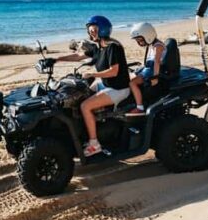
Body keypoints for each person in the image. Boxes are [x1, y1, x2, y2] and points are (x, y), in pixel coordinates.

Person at [54, 15, 130, 157]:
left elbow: (114, 71)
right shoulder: (98, 47)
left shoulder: (113, 47)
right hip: (106, 84)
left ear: (103, 29)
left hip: (118, 89)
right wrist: (56, 60)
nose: (91, 33)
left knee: (85, 106)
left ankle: (94, 144)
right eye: (90, 31)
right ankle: (88, 130)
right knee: (81, 94)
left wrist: (92, 74)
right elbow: (78, 56)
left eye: (94, 30)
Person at [127, 22, 165, 116]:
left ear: (148, 36)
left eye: (140, 40)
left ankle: (139, 107)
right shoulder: (152, 45)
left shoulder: (158, 46)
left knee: (132, 83)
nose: (139, 42)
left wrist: (155, 77)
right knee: (128, 78)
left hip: (151, 72)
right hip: (147, 69)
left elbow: (156, 62)